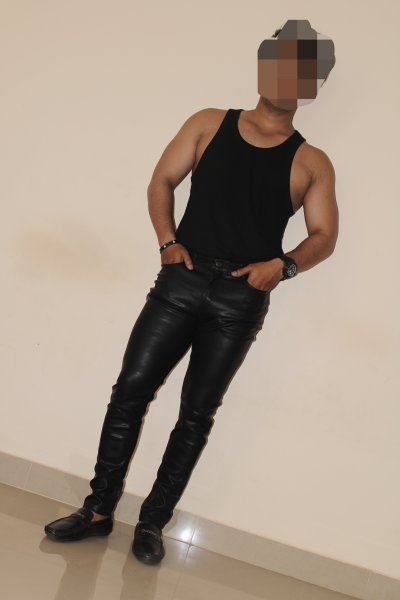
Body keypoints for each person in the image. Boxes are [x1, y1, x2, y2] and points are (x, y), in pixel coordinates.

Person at [44, 19, 338, 566]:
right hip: (181, 278)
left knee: (196, 414)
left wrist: (283, 267)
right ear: (264, 65)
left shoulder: (311, 162)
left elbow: (324, 236)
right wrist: (167, 241)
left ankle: (152, 523)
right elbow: (161, 180)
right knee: (130, 392)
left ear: (313, 84)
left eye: (302, 70)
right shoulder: (208, 123)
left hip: (239, 301)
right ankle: (98, 510)